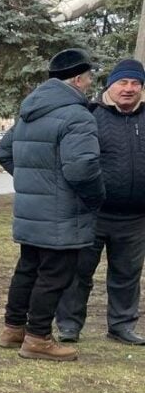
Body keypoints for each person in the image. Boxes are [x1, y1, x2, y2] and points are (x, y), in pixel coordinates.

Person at [0, 47, 104, 361]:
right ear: (79, 79)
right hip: (62, 213)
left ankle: (13, 329)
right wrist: (96, 198)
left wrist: (35, 183)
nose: (88, 85)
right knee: (55, 275)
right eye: (88, 80)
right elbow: (82, 169)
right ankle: (38, 338)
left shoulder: (30, 111)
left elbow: (4, 152)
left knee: (28, 269)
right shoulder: (76, 114)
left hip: (32, 212)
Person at [55, 57, 145, 345]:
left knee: (127, 277)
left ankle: (121, 325)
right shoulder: (89, 115)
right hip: (91, 213)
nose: (129, 89)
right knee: (78, 273)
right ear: (111, 85)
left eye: (135, 83)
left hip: (135, 217)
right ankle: (69, 325)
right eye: (123, 82)